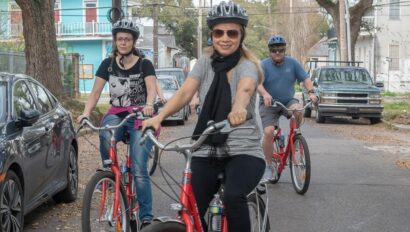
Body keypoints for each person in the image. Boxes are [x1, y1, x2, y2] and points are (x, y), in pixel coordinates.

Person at [143, 1, 265, 231]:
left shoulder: (247, 64)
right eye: (219, 32)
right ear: (212, 35)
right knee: (191, 208)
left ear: (241, 35)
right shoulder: (204, 63)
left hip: (244, 150)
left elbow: (246, 88)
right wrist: (159, 117)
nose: (225, 38)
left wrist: (239, 108)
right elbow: (185, 93)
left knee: (233, 196)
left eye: (232, 32)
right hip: (205, 146)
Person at [77, 18, 156, 229]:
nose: (123, 42)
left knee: (139, 169)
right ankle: (109, 171)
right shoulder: (108, 64)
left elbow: (152, 89)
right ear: (115, 41)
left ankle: (147, 217)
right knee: (104, 131)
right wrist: (85, 113)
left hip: (140, 115)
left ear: (133, 42)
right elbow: (95, 92)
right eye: (120, 39)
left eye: (127, 39)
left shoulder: (144, 63)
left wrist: (149, 104)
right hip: (117, 113)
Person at [258, 35, 317, 182]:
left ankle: (295, 136)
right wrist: (265, 94)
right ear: (269, 51)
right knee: (268, 131)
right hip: (269, 103)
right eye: (273, 50)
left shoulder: (293, 63)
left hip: (287, 101)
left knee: (298, 110)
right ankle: (269, 165)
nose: (277, 53)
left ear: (284, 50)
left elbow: (306, 79)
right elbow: (257, 83)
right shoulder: (263, 65)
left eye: (280, 50)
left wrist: (311, 92)